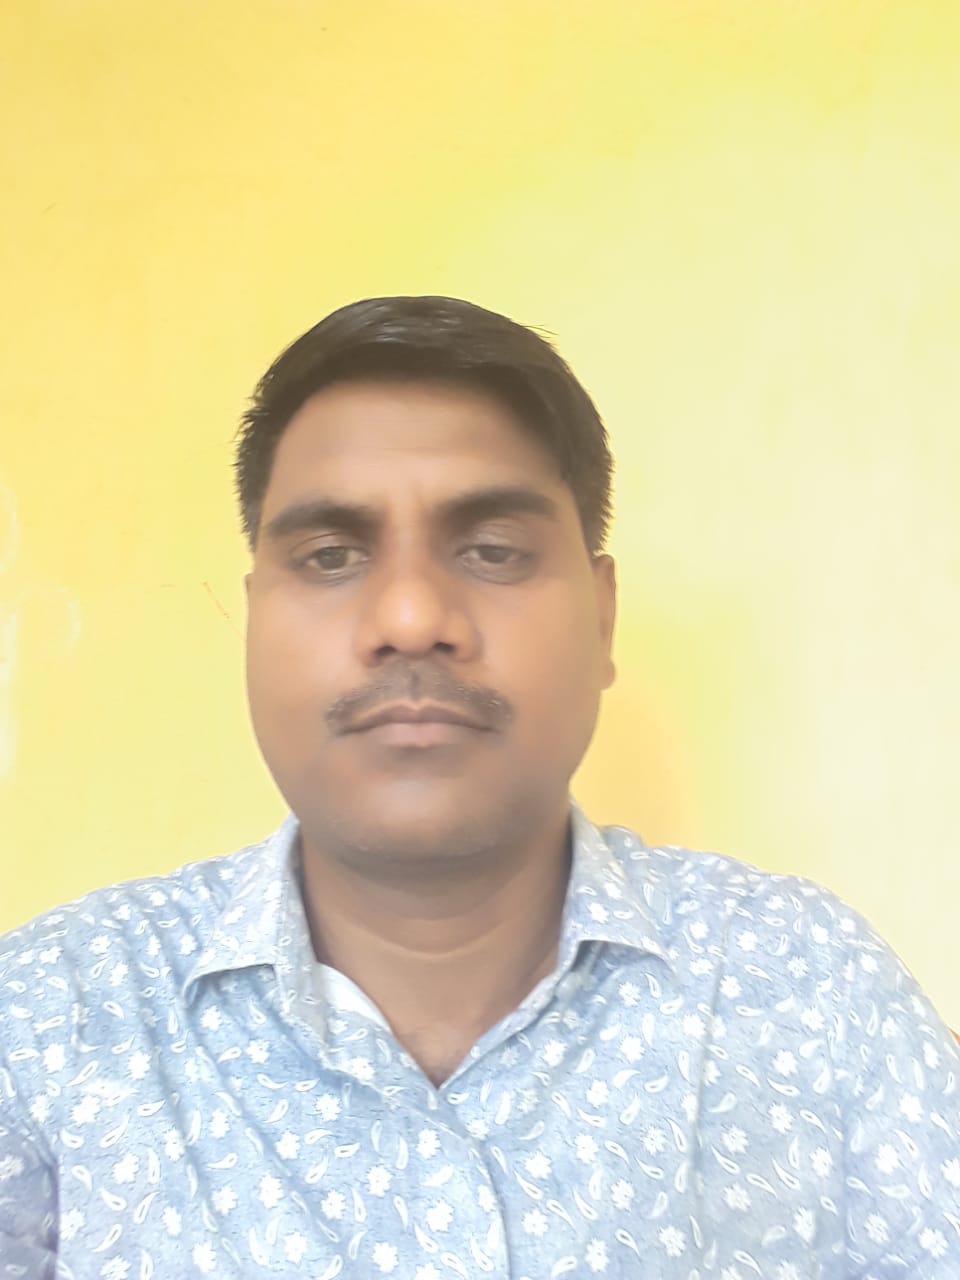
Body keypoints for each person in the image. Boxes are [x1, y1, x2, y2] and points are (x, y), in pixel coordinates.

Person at [0, 297, 957, 1280]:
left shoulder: (811, 990)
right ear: (251, 622)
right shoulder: (46, 1021)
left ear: (603, 619)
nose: (412, 616)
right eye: (330, 556)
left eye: (493, 550)